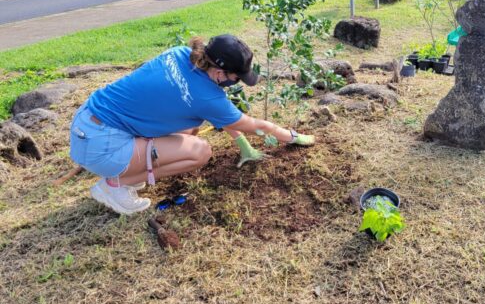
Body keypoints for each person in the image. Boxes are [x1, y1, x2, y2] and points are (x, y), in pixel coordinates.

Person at [69, 34, 315, 215]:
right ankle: (114, 184)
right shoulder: (207, 97)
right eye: (236, 77)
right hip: (102, 146)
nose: (237, 81)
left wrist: (241, 143)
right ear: (220, 73)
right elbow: (255, 125)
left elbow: (219, 113)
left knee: (190, 132)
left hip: (87, 121)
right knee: (200, 151)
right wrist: (294, 137)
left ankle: (129, 170)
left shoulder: (178, 53)